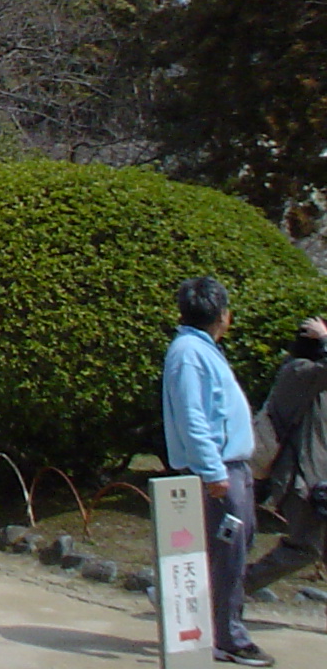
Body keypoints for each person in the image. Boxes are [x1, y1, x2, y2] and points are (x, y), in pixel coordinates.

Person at [164, 275, 270, 666]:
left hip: (229, 468)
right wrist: (213, 473)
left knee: (230, 548)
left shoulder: (199, 350)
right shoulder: (190, 352)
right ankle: (229, 636)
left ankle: (194, 611)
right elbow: (193, 416)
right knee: (229, 552)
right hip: (219, 470)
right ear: (223, 314)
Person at [246, 316, 327, 597]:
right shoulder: (298, 373)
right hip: (300, 481)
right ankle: (235, 588)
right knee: (306, 547)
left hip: (315, 479)